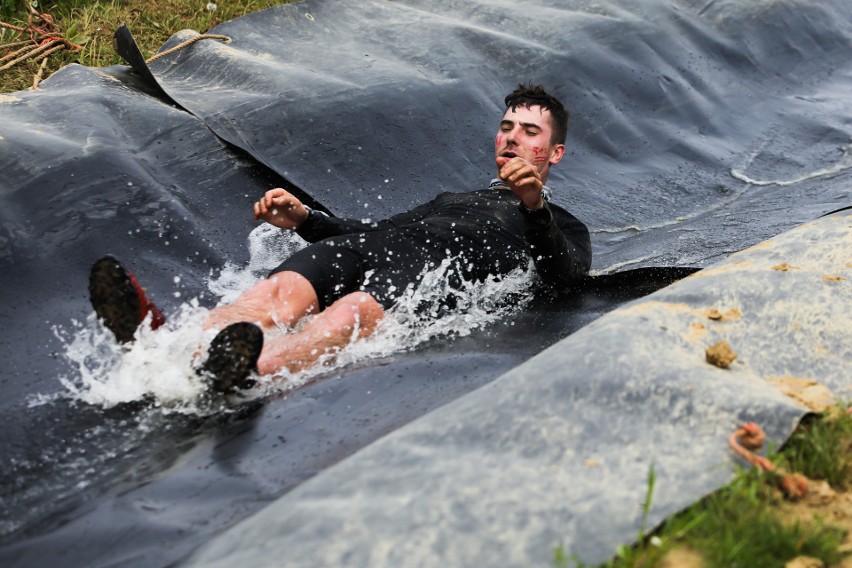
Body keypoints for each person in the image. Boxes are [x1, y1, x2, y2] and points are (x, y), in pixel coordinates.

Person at [89, 83, 592, 394]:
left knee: (347, 314)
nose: (511, 137)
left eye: (528, 131)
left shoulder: (561, 221)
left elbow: (563, 276)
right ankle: (164, 348)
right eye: (506, 127)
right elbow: (371, 230)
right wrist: (306, 218)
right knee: (275, 295)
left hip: (427, 274)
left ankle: (247, 371)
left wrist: (534, 208)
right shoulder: (450, 198)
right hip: (375, 246)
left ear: (556, 152)